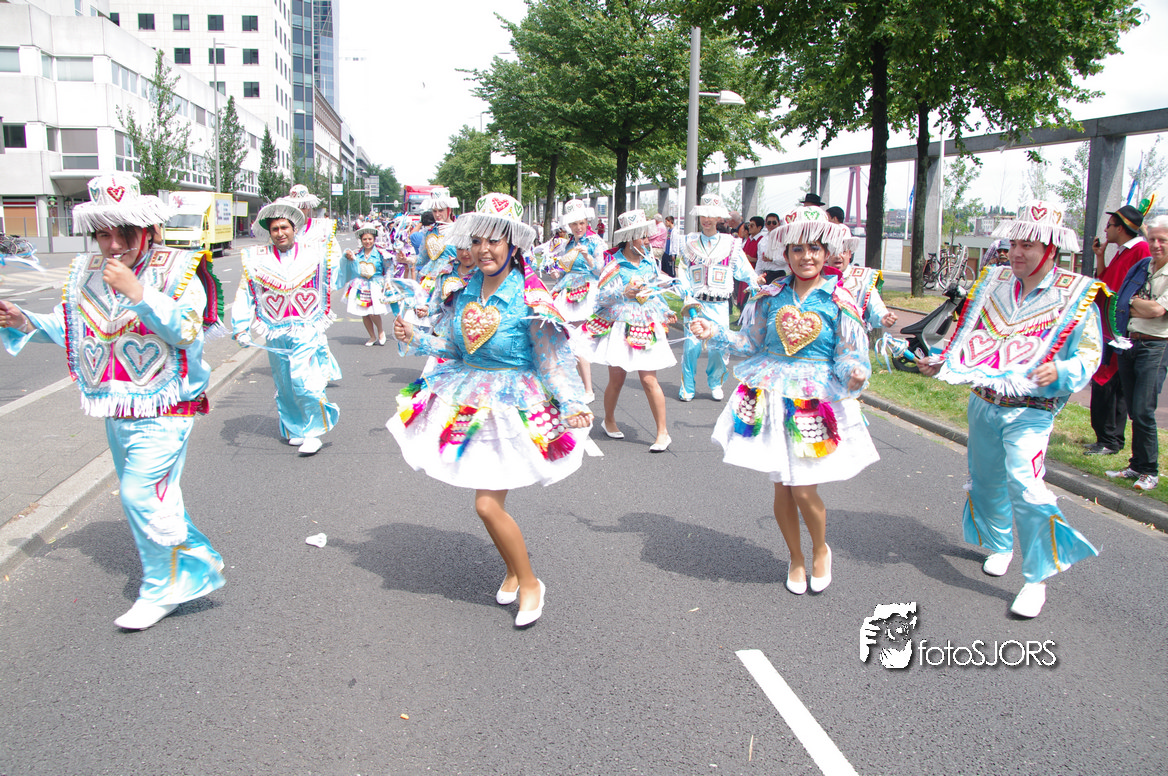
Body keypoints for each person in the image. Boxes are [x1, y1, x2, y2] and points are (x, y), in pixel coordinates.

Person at [0, 173, 226, 630]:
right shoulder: (88, 271)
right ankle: (195, 565)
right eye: (104, 234)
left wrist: (138, 293)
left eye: (125, 232)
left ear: (147, 230)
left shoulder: (180, 269)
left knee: (139, 494)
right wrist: (23, 319)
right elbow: (75, 327)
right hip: (116, 408)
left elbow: (186, 330)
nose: (115, 244)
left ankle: (162, 589)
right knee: (155, 499)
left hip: (165, 409)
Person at [388, 193, 593, 628]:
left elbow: (552, 360)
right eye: (477, 241)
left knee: (485, 505)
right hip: (469, 401)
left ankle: (531, 582)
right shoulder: (464, 291)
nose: (483, 250)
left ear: (512, 245)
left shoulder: (532, 298)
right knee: (486, 503)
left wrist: (573, 402)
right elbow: (450, 348)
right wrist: (414, 336)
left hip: (513, 406)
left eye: (494, 241)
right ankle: (514, 571)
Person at [917, 201, 1104, 618]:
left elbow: (1090, 356)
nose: (1016, 253)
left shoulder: (1076, 295)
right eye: (1014, 244)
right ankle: (1000, 544)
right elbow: (969, 335)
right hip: (984, 402)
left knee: (1027, 486)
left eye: (1028, 246)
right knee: (986, 481)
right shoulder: (995, 283)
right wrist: (942, 361)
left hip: (1031, 410)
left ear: (1050, 250)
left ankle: (1036, 579)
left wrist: (1062, 370)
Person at [689, 205, 876, 595]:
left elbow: (848, 354)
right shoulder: (769, 297)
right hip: (772, 395)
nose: (806, 257)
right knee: (781, 487)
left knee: (804, 488)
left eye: (814, 249)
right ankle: (795, 557)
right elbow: (750, 342)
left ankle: (820, 549)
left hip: (814, 402)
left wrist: (856, 372)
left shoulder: (839, 300)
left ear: (826, 253)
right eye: (798, 249)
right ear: (786, 254)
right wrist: (714, 332)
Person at [232, 199, 340, 456]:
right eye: (275, 229)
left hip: (306, 328)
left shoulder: (315, 253)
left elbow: (334, 275)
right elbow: (245, 292)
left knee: (303, 379)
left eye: (284, 228)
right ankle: (295, 428)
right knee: (285, 383)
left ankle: (313, 431)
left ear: (294, 229)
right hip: (276, 330)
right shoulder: (256, 258)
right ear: (269, 233)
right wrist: (240, 327)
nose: (280, 233)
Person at [579, 210, 677, 452]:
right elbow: (601, 297)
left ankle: (662, 433)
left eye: (647, 237)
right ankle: (609, 419)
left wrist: (666, 312)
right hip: (621, 326)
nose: (647, 241)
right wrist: (623, 292)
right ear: (629, 238)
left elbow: (655, 293)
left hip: (646, 324)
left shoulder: (650, 263)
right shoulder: (613, 264)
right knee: (617, 378)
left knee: (649, 379)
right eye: (642, 237)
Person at [676, 193, 761, 402]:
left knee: (719, 346)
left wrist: (754, 281)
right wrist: (686, 293)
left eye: (711, 215)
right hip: (696, 303)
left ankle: (715, 383)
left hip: (720, 304)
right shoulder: (689, 242)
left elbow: (743, 269)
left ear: (718, 218)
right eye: (703, 215)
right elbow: (682, 271)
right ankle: (687, 386)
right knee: (691, 347)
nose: (706, 219)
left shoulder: (731, 244)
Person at [1106, 215, 1168, 491]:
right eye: (1152, 239)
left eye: (1162, 240)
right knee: (1133, 408)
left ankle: (1150, 471)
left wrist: (1134, 303)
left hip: (1156, 346)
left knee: (1144, 409)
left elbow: (1157, 311)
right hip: (1130, 341)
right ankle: (1136, 465)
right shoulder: (1143, 266)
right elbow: (1121, 301)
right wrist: (1136, 303)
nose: (1155, 245)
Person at [1085, 204, 1150, 456]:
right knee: (1105, 382)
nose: (1106, 230)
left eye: (1110, 225)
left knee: (1110, 384)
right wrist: (1100, 256)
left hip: (1118, 329)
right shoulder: (1123, 252)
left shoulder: (1140, 251)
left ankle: (1110, 440)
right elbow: (1106, 282)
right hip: (1106, 326)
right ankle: (1105, 438)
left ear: (1121, 228)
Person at [549, 198, 609, 402]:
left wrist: (587, 257)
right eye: (574, 224)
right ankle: (572, 386)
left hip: (586, 291)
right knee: (565, 340)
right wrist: (557, 273)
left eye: (581, 223)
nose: (578, 227)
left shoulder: (596, 242)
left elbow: (601, 270)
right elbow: (564, 267)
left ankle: (588, 389)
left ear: (587, 222)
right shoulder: (568, 243)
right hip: (567, 290)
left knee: (579, 340)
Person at [285, 183, 343, 383]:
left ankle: (322, 371)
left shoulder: (322, 228)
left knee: (314, 332)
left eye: (303, 206)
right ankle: (299, 369)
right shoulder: (284, 229)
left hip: (314, 288)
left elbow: (334, 256)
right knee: (292, 332)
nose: (300, 209)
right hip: (289, 289)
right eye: (296, 205)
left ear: (309, 207)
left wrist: (328, 282)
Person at [827, 236, 897, 330]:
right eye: (834, 252)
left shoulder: (863, 278)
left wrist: (884, 317)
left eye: (843, 251)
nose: (838, 256)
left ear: (849, 254)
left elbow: (876, 306)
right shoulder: (819, 277)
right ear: (826, 255)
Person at [342, 223, 392, 346]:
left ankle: (380, 331)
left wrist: (388, 282)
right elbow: (350, 267)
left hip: (376, 285)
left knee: (374, 312)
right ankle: (372, 336)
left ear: (374, 239)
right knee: (364, 313)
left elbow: (389, 268)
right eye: (364, 239)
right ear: (361, 240)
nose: (367, 241)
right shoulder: (357, 254)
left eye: (370, 239)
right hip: (361, 285)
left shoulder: (381, 253)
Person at [755, 212, 787, 284]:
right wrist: (756, 276)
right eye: (769, 223)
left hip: (780, 274)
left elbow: (787, 259)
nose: (771, 225)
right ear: (766, 225)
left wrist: (772, 259)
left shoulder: (784, 239)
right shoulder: (762, 241)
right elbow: (759, 261)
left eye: (774, 223)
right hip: (766, 274)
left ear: (779, 224)